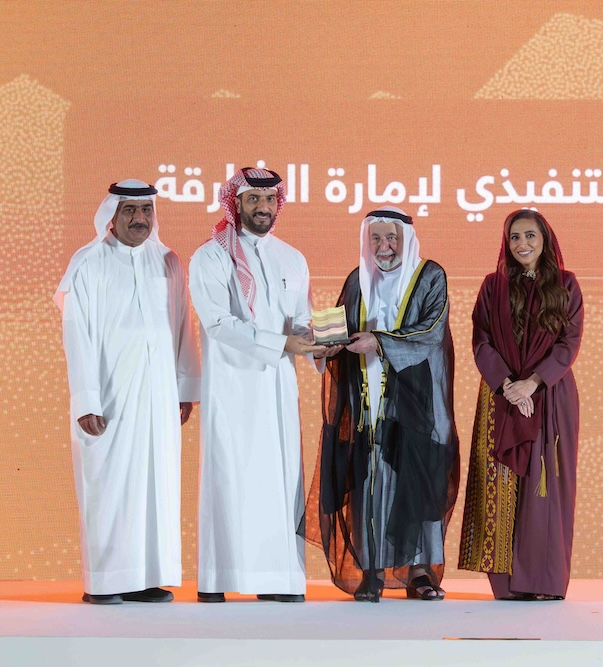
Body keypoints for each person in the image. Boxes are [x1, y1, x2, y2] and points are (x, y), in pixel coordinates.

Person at [55, 180, 200, 605]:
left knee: (155, 485)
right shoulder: (89, 262)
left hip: (158, 396)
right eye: (130, 211)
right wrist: (86, 399)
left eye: (146, 210)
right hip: (109, 396)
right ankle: (104, 582)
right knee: (110, 485)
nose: (140, 219)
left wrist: (184, 388)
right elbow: (77, 334)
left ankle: (145, 578)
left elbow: (182, 325)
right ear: (112, 216)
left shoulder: (168, 261)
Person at [306, 206, 460, 602]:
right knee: (368, 479)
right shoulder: (357, 280)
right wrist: (323, 346)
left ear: (406, 239)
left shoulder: (430, 276)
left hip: (418, 401)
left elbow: (431, 330)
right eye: (375, 238)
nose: (384, 246)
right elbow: (341, 328)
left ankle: (420, 573)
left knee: (417, 480)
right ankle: (371, 569)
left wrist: (379, 341)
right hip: (366, 397)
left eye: (392, 237)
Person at [189, 167, 324, 603]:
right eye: (253, 200)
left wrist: (320, 344)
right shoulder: (210, 257)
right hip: (232, 388)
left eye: (269, 200)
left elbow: (301, 319)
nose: (263, 208)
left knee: (279, 480)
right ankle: (219, 578)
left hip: (279, 388)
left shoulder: (292, 257)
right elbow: (217, 323)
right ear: (236, 203)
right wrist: (283, 343)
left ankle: (278, 580)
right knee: (232, 477)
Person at [458, 209, 584, 601]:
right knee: (500, 484)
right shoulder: (492, 286)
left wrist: (532, 383)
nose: (522, 244)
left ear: (545, 239)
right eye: (514, 237)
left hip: (550, 395)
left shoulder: (566, 285)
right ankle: (508, 585)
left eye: (530, 235)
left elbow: (568, 343)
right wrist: (509, 386)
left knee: (546, 491)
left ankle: (544, 583)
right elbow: (481, 340)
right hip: (502, 397)